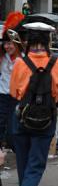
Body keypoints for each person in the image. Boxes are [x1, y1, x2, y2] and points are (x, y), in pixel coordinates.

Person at [10, 22, 58, 186]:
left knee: (24, 165)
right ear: (48, 42)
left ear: (29, 42)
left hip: (21, 118)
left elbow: (13, 93)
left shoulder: (20, 63)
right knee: (35, 166)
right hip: (46, 120)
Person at [0, 12, 25, 152]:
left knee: (12, 129)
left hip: (16, 98)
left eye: (10, 43)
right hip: (2, 96)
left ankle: (18, 151)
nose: (7, 46)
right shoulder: (2, 57)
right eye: (5, 43)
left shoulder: (23, 59)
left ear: (16, 43)